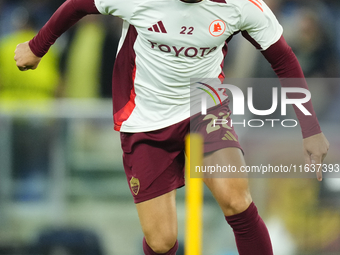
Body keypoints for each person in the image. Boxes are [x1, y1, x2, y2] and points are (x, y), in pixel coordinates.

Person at [14, 0, 329, 254]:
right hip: (145, 116)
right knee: (162, 241)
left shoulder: (240, 5)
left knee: (236, 198)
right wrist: (37, 47)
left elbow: (283, 60)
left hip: (203, 106)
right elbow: (77, 5)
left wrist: (311, 129)